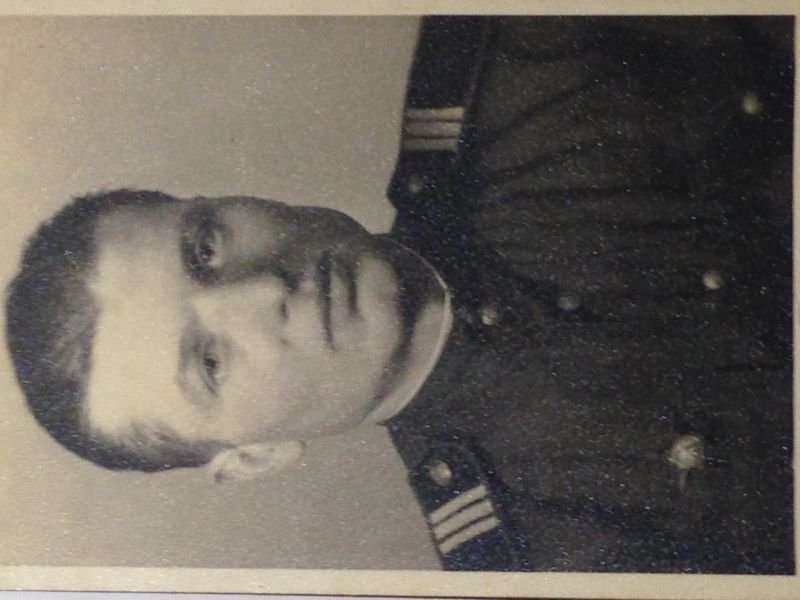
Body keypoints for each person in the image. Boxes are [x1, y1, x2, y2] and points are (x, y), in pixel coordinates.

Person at [5, 16, 794, 573]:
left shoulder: (513, 52)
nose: (264, 291)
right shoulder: (547, 556)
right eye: (210, 361)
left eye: (205, 249)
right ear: (256, 458)